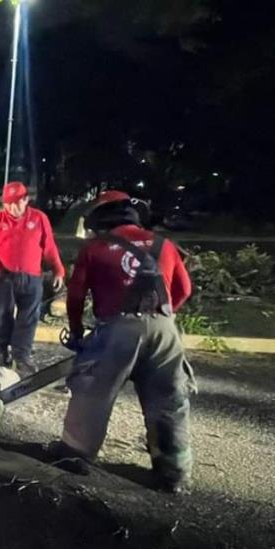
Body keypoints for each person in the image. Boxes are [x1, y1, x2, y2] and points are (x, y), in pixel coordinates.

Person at [52, 190, 196, 493]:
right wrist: (159, 319)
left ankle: (75, 454)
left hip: (117, 331)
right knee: (168, 399)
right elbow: (183, 290)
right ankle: (173, 470)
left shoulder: (95, 248)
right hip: (165, 331)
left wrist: (77, 332)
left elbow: (76, 296)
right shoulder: (164, 245)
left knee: (93, 392)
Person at [0, 181, 65, 374]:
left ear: (26, 200)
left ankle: (22, 355)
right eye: (7, 203)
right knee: (1, 315)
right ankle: (1, 351)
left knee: (29, 316)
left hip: (31, 276)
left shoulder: (39, 219)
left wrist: (58, 269)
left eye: (16, 203)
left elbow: (49, 247)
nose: (11, 208)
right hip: (3, 276)